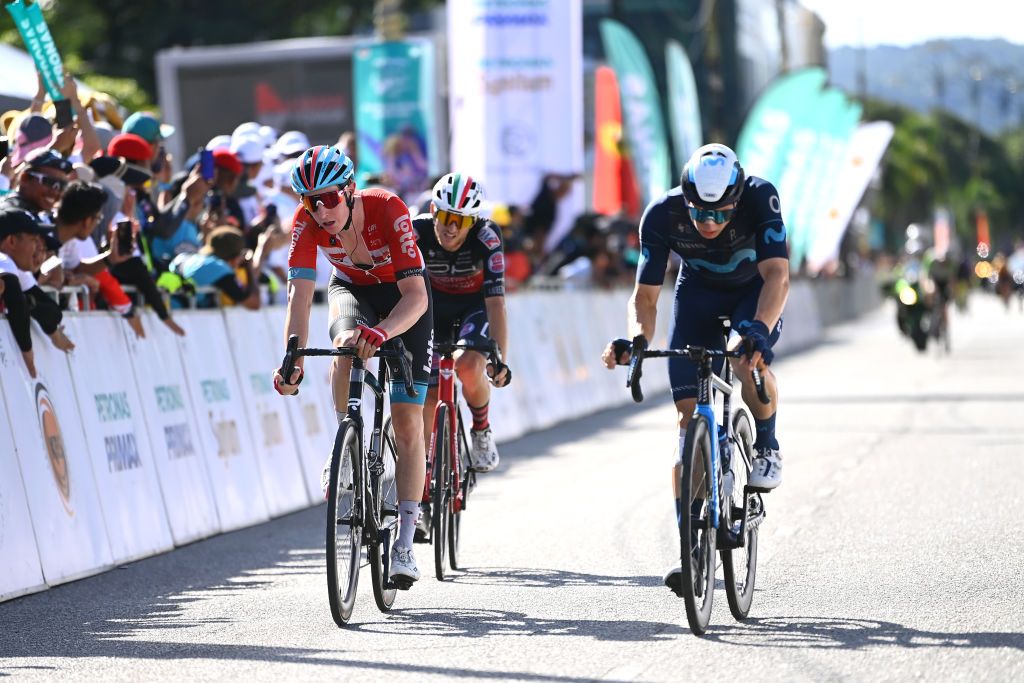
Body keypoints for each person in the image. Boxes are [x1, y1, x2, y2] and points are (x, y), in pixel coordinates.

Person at [600, 143, 789, 595]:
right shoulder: (662, 214)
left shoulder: (761, 197)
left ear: (737, 198)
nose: (709, 223)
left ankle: (766, 445)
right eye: (700, 214)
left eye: (721, 214)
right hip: (698, 295)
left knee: (746, 361)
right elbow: (645, 298)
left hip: (753, 293)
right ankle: (691, 549)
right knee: (688, 424)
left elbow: (778, 275)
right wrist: (638, 340)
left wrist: (759, 331)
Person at [272, 145, 432, 585]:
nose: (320, 210)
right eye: (309, 200)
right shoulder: (305, 224)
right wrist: (292, 355)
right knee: (345, 343)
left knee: (408, 423)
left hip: (404, 300)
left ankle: (403, 543)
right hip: (351, 291)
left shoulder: (388, 209)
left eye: (328, 198)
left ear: (350, 189)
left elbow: (416, 297)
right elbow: (299, 297)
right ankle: (346, 440)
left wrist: (384, 332)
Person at [413, 173, 511, 472]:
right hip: (428, 309)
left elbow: (496, 303)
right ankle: (428, 464)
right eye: (445, 217)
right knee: (428, 394)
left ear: (474, 222)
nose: (452, 228)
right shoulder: (416, 231)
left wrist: (499, 360)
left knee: (469, 367)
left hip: (472, 308)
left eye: (463, 221)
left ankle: (481, 430)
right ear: (433, 211)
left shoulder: (488, 237)